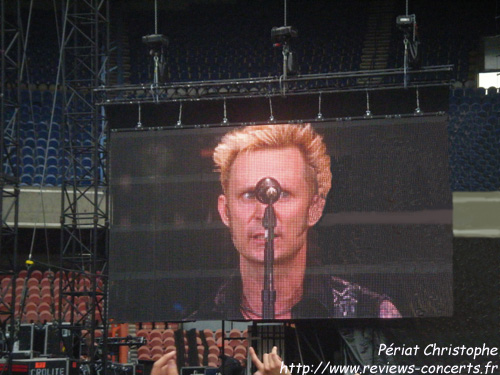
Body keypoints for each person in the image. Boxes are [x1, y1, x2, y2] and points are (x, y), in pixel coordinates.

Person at [191, 123, 400, 319]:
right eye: (249, 195)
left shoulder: (369, 315)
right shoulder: (196, 332)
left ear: (314, 209)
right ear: (225, 211)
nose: (264, 212)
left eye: (281, 194)